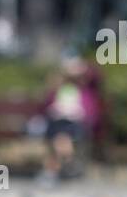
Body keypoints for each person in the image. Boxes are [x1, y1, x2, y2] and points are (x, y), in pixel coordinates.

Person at [38, 52, 103, 181]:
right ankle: (68, 163)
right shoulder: (58, 89)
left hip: (78, 124)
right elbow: (46, 107)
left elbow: (96, 76)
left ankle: (54, 169)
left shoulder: (86, 90)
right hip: (57, 123)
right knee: (61, 138)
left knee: (61, 139)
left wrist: (80, 68)